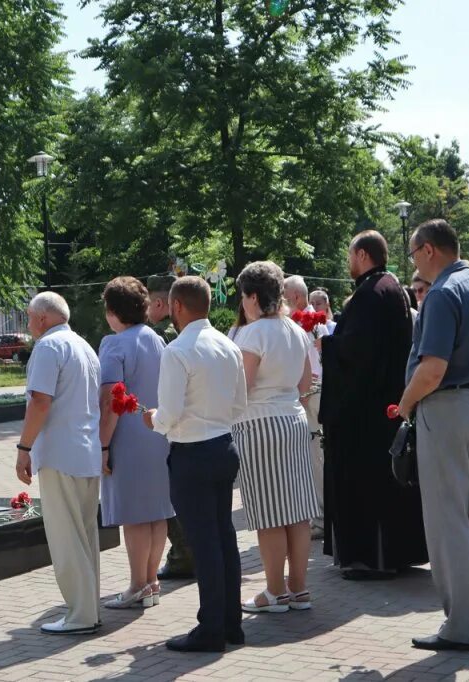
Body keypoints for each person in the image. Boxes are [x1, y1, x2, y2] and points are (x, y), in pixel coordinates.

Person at [398, 219, 469, 652]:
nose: (414, 263)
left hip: (445, 407)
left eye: (412, 253)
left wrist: (405, 404)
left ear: (427, 250)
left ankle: (460, 625)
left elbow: (433, 368)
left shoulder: (442, 293)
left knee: (448, 520)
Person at [143, 276, 247, 652]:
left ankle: (211, 629)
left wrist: (153, 419)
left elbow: (168, 413)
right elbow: (239, 405)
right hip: (223, 445)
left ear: (179, 306)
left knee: (204, 543)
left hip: (191, 452)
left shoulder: (178, 350)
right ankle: (231, 623)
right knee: (224, 538)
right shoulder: (228, 345)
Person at [320, 230, 427, 581]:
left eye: (351, 255)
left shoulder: (369, 295)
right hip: (385, 407)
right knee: (388, 484)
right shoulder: (392, 288)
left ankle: (370, 557)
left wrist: (328, 346)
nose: (348, 262)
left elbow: (357, 355)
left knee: (367, 485)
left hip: (364, 415)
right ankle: (394, 553)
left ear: (363, 255)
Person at [232, 262, 321, 613]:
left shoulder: (253, 334)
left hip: (259, 424)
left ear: (254, 297)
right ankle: (298, 588)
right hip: (294, 421)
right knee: (297, 509)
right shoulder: (295, 330)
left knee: (269, 512)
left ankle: (273, 591)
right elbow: (304, 384)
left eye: (243, 296)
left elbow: (243, 386)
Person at [16, 292, 103, 635]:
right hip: (86, 451)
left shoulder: (49, 347)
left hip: (60, 453)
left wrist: (24, 447)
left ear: (41, 319)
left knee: (67, 538)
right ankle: (88, 609)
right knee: (84, 535)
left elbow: (40, 401)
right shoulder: (84, 345)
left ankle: (81, 615)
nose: (28, 324)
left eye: (29, 317)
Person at [98, 277, 174, 609]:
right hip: (158, 434)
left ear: (114, 310)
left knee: (134, 516)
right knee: (157, 512)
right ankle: (152, 582)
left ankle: (136, 584)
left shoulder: (114, 345)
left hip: (127, 438)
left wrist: (102, 445)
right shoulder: (157, 340)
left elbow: (111, 401)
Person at [146, 274, 195, 579]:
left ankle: (182, 554)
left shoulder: (163, 335)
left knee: (170, 495)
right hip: (185, 423)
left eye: (150, 303)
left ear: (161, 303)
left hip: (168, 421)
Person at [286, 275, 328, 539]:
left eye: (285, 295)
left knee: (316, 457)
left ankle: (322, 517)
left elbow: (312, 364)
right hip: (314, 392)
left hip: (313, 394)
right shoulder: (310, 322)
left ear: (297, 298)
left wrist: (302, 392)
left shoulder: (308, 323)